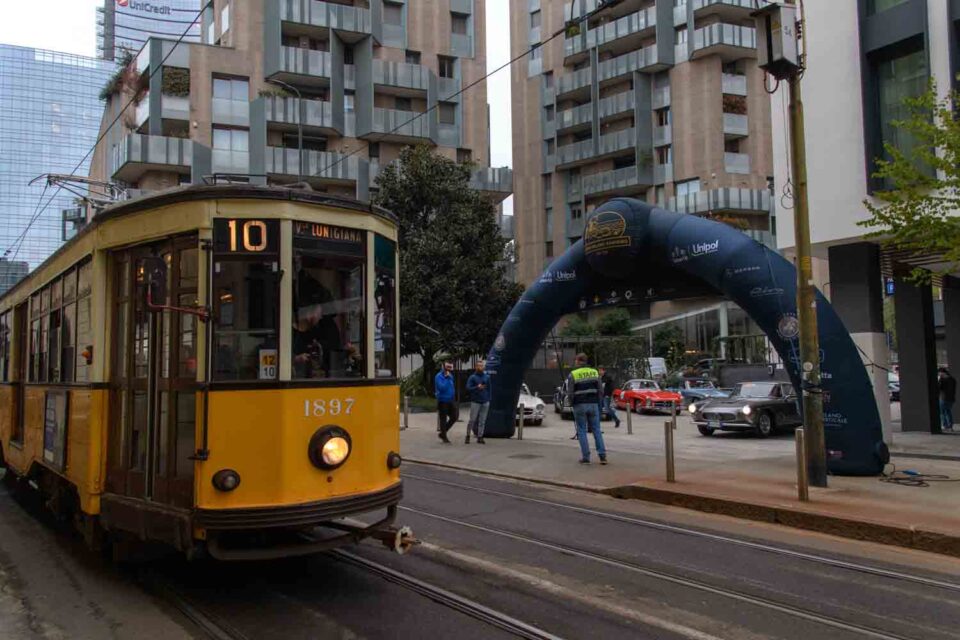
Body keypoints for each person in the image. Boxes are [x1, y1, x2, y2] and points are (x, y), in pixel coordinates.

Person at [566, 353, 607, 464]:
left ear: (579, 361)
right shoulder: (595, 372)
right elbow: (600, 390)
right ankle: (602, 456)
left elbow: (570, 392)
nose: (575, 362)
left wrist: (571, 403)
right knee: (596, 430)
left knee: (582, 431)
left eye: (575, 361)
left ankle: (586, 457)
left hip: (579, 405)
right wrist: (599, 403)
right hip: (593, 404)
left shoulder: (573, 374)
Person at [465, 360, 491, 444]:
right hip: (475, 401)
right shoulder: (472, 377)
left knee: (482, 420)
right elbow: (468, 388)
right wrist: (477, 387)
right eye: (479, 366)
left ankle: (480, 437)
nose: (480, 367)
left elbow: (489, 389)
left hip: (485, 401)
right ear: (476, 367)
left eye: (482, 366)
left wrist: (489, 398)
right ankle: (468, 435)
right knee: (472, 419)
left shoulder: (487, 377)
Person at [435, 361, 457, 443]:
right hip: (442, 400)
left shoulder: (450, 375)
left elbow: (452, 386)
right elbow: (441, 388)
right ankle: (444, 436)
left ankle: (443, 432)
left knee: (454, 417)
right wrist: (447, 379)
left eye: (450, 367)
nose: (448, 369)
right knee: (443, 419)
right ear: (443, 367)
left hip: (450, 400)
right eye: (447, 367)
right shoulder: (438, 376)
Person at [939, 367, 956, 432]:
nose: (939, 374)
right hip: (951, 399)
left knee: (943, 412)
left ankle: (946, 426)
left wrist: (940, 381)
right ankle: (950, 426)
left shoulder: (942, 379)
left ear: (942, 372)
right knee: (948, 411)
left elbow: (939, 388)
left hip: (943, 398)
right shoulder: (952, 379)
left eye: (939, 373)